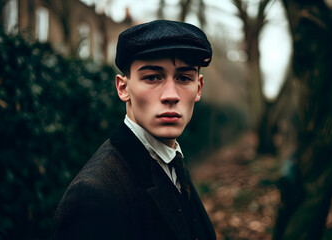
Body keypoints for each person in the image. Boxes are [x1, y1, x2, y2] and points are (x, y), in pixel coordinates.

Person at [53, 19, 216, 240]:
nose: (171, 95)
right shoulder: (93, 195)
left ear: (199, 88)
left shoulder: (171, 160)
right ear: (123, 88)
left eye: (184, 78)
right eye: (152, 77)